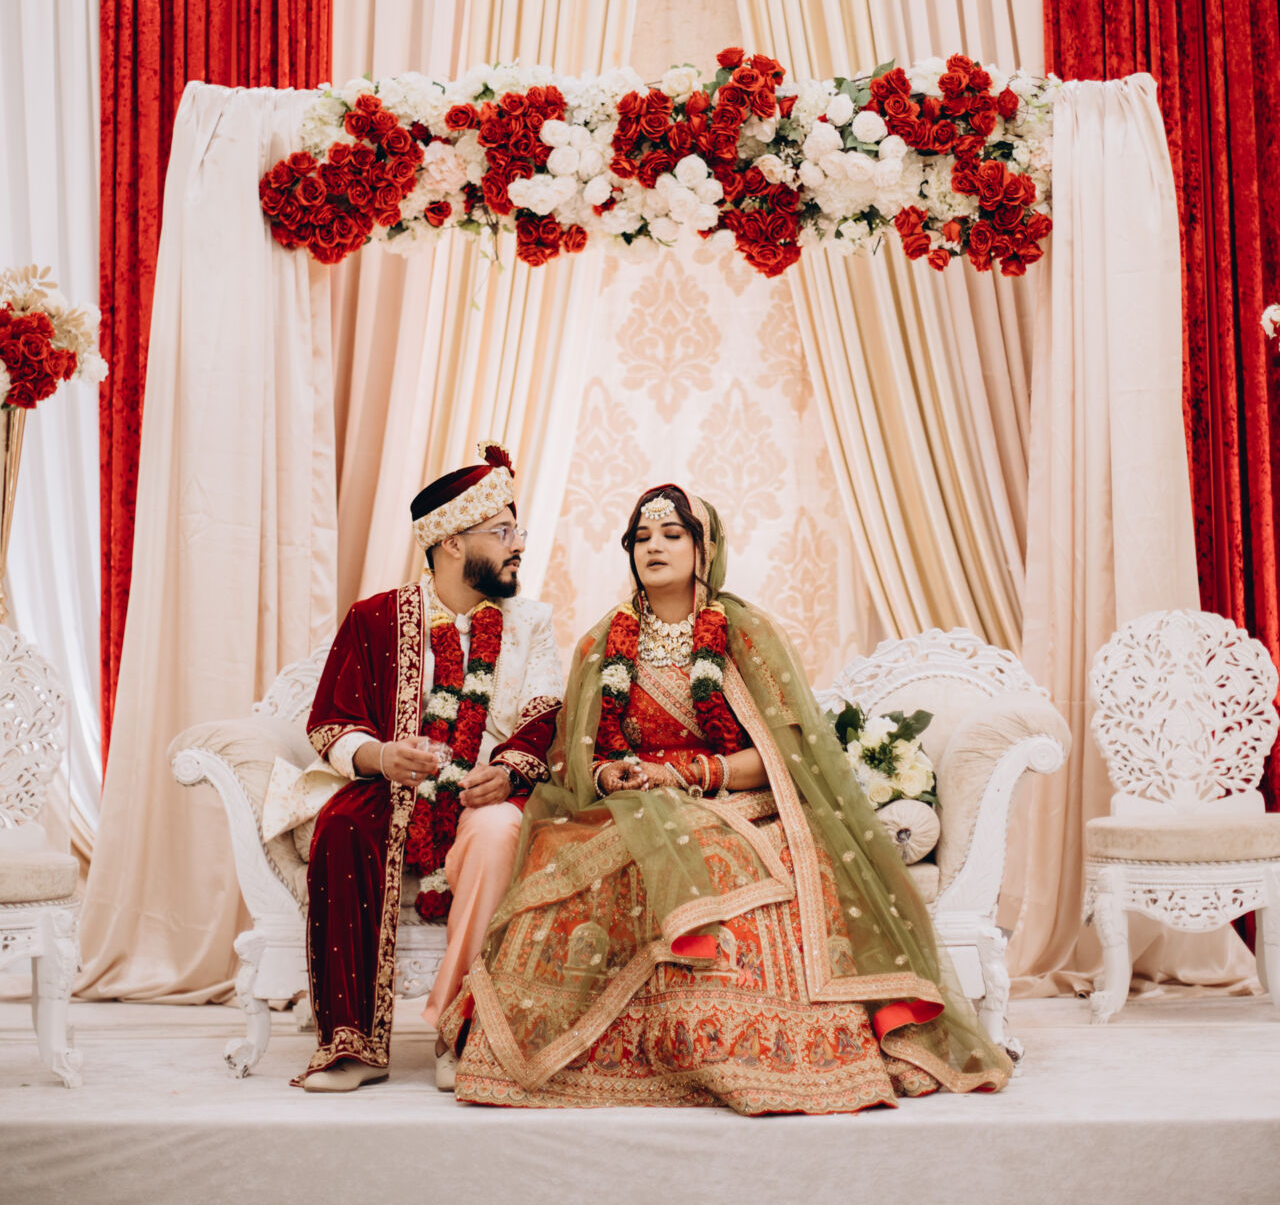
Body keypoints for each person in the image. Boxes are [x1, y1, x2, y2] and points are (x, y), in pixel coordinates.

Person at [441, 484, 1011, 1113]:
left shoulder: (745, 633)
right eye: (641, 537)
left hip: (735, 803)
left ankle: (739, 1046)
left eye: (672, 534)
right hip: (626, 807)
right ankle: (626, 1048)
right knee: (569, 856)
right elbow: (575, 758)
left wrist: (689, 774)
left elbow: (780, 755)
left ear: (704, 549)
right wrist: (610, 779)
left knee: (721, 857)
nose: (653, 547)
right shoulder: (601, 643)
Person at [294, 444, 563, 1092]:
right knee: (342, 827)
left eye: (518, 532)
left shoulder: (531, 623)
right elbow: (332, 722)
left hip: (488, 790)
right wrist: (382, 756)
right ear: (451, 542)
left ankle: (461, 1029)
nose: (518, 547)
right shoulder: (375, 619)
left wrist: (510, 770)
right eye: (503, 532)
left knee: (498, 832)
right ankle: (353, 1045)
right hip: (398, 787)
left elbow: (546, 714)